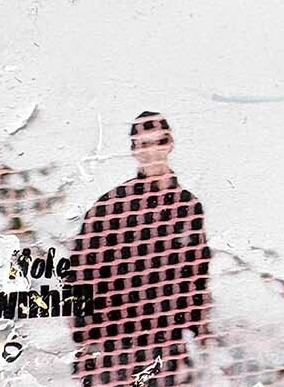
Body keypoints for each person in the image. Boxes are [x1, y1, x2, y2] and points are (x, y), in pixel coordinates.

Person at [68, 112, 213, 387]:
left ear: (170, 144)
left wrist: (197, 330)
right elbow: (82, 273)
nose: (151, 152)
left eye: (159, 142)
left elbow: (197, 273)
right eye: (143, 144)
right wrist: (85, 338)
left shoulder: (189, 207)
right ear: (134, 150)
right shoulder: (111, 206)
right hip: (115, 342)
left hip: (166, 343)